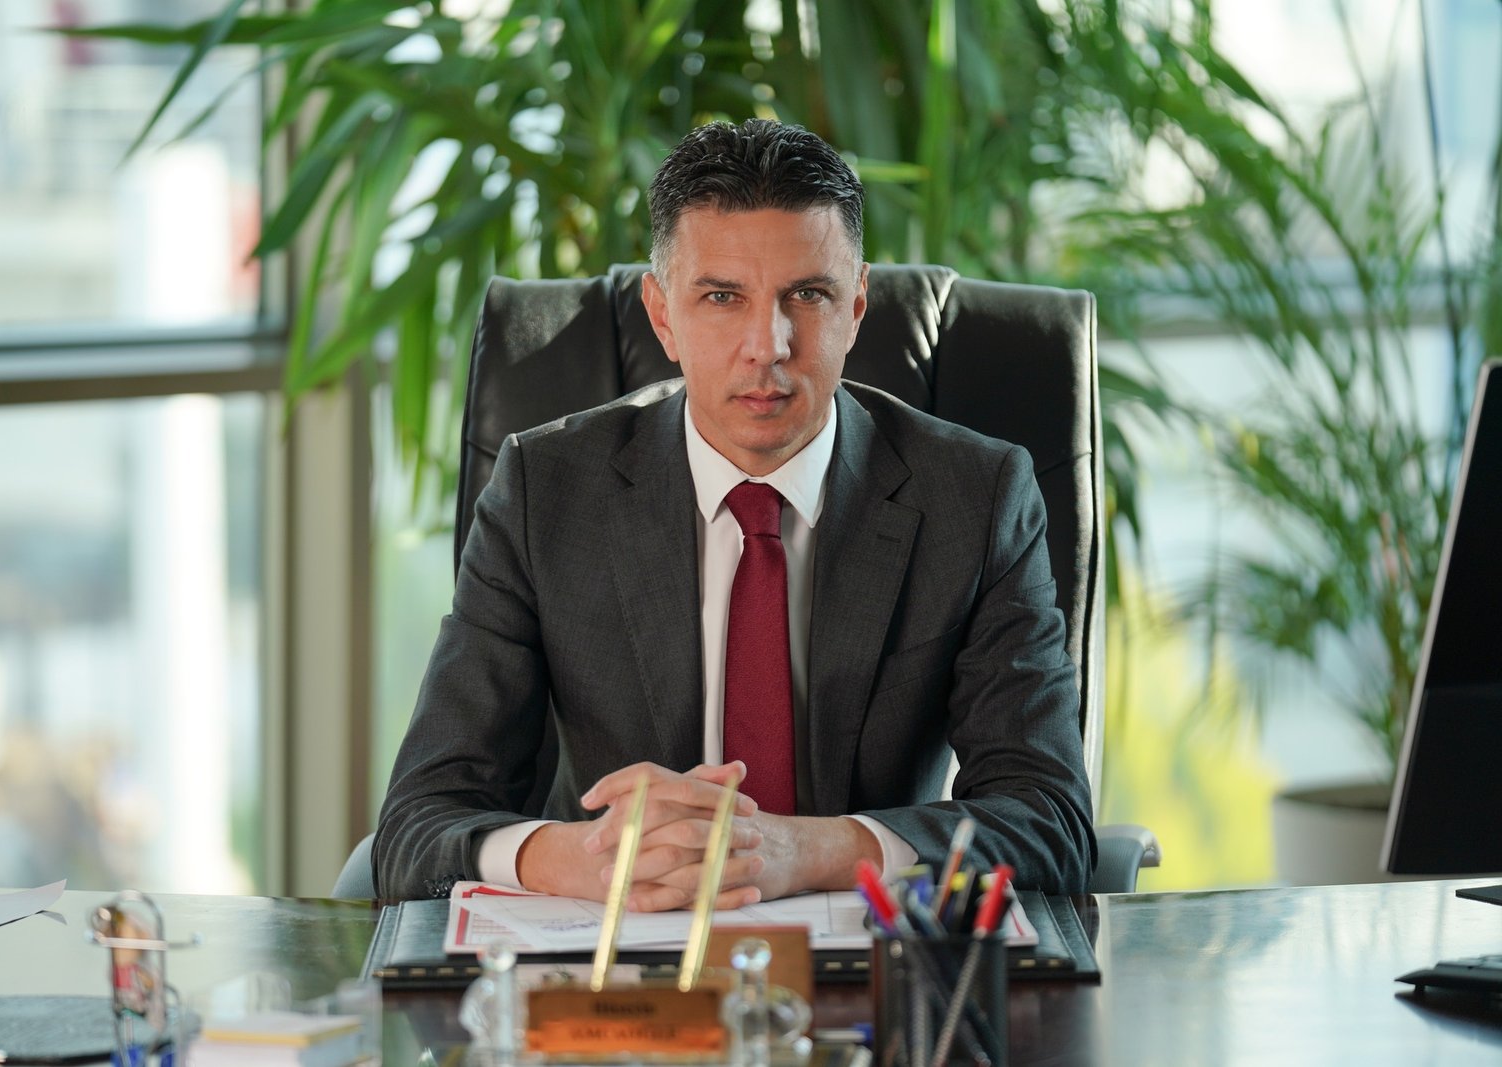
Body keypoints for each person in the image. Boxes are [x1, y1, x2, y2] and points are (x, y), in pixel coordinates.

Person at [374, 118, 1095, 908]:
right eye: (722, 297)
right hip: (619, 961)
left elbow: (1050, 820)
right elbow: (418, 825)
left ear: (857, 305)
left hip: (874, 963)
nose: (767, 345)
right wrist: (580, 859)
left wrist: (808, 849)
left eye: (808, 295)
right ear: (662, 316)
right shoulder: (544, 493)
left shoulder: (976, 497)